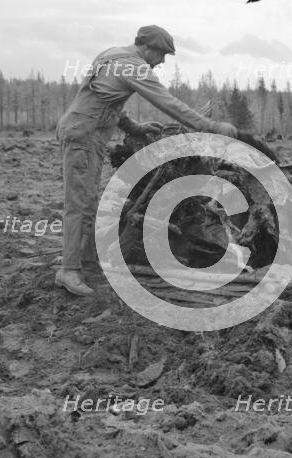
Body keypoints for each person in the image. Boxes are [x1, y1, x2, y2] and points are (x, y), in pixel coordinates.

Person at [55, 25, 237, 296]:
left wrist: (133, 128)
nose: (162, 61)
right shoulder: (134, 66)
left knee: (90, 201)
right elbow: (167, 102)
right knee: (78, 203)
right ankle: (68, 270)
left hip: (84, 133)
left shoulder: (112, 55)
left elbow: (104, 98)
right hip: (83, 136)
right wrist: (208, 125)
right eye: (162, 54)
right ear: (147, 48)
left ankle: (89, 263)